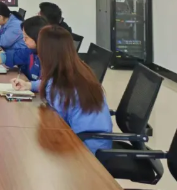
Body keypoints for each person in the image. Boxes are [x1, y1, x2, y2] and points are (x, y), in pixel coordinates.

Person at [11, 25, 112, 155]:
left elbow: (56, 125)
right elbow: (50, 83)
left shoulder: (64, 86)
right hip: (86, 139)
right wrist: (29, 85)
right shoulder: (73, 69)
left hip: (87, 149)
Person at [0, 16, 48, 82]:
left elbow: (46, 85)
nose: (24, 39)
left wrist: (30, 85)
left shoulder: (48, 58)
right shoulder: (29, 51)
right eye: (23, 36)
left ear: (38, 37)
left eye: (26, 37)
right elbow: (11, 56)